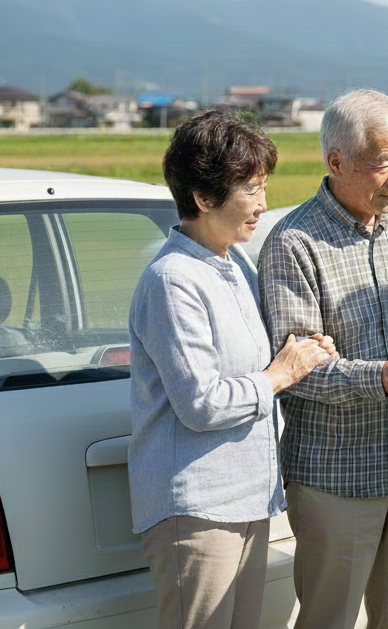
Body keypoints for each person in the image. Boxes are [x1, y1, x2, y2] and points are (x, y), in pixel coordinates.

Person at [258, 88, 388, 629]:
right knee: (329, 617)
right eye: (383, 165)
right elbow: (297, 372)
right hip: (336, 475)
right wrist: (383, 378)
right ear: (336, 162)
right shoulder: (294, 242)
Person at [129, 109, 338, 629]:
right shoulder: (172, 280)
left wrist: (306, 351)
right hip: (199, 508)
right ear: (203, 198)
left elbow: (257, 361)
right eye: (250, 189)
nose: (262, 205)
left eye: (264, 187)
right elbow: (201, 404)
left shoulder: (233, 264)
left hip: (247, 496)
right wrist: (280, 375)